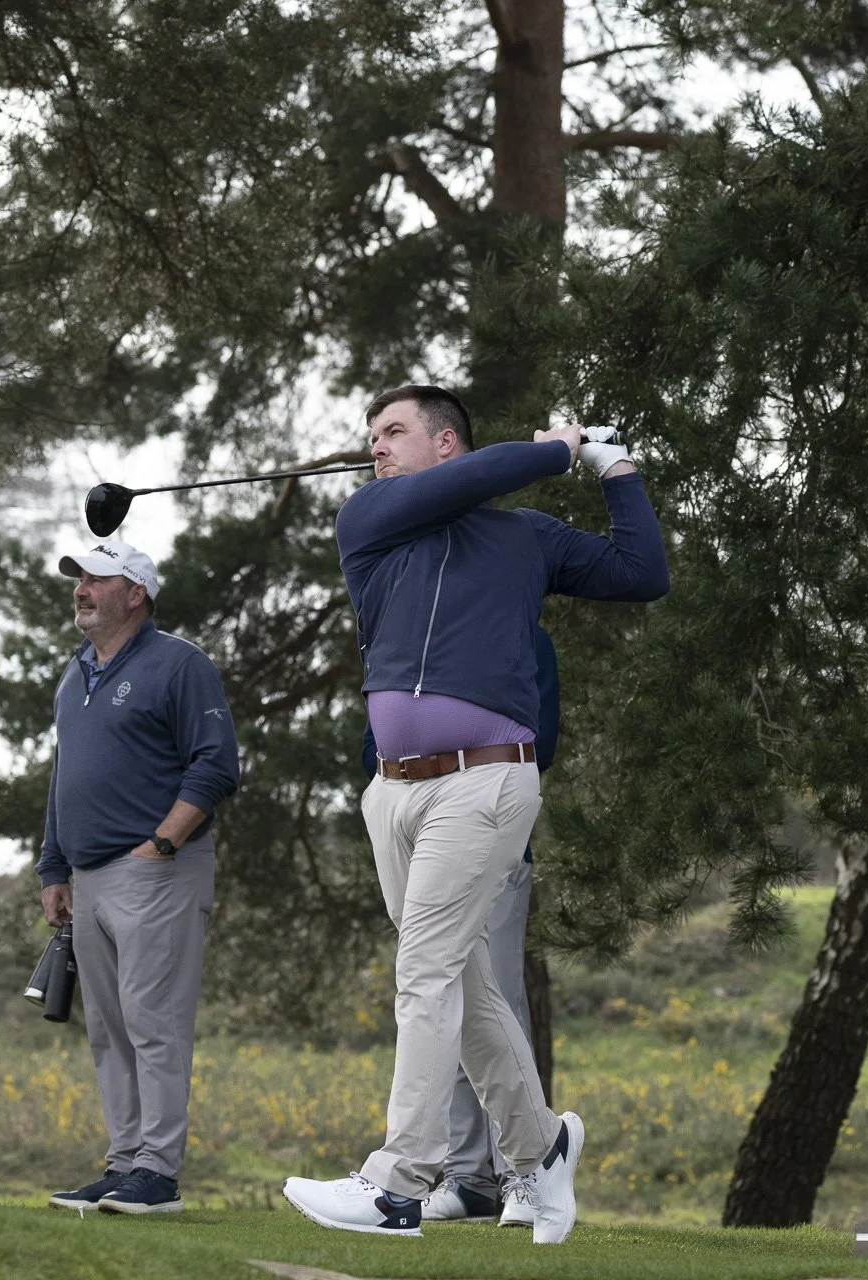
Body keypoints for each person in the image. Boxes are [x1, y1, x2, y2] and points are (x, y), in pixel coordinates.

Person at [283, 386, 668, 1244]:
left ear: (447, 442)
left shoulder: (526, 537)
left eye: (394, 432)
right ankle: (539, 1150)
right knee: (461, 980)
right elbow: (484, 475)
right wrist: (555, 447)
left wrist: (613, 467)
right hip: (392, 792)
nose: (376, 448)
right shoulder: (371, 520)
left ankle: (398, 1183)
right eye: (371, 435)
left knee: (425, 971)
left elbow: (644, 573)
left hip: (485, 781)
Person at [37, 539, 239, 1216]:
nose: (81, 589)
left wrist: (162, 841)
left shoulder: (179, 665)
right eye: (78, 579)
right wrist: (53, 866)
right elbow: (63, 777)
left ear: (137, 593)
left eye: (97, 578)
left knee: (154, 1023)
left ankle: (158, 1171)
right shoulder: (75, 674)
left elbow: (215, 765)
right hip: (88, 878)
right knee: (109, 1029)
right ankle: (124, 1163)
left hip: (158, 871)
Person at [360, 625, 559, 1229]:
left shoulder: (519, 635)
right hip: (414, 826)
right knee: (459, 995)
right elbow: (377, 731)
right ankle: (476, 1175)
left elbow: (535, 737)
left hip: (484, 836)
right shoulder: (407, 638)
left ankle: (519, 1174)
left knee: (473, 991)